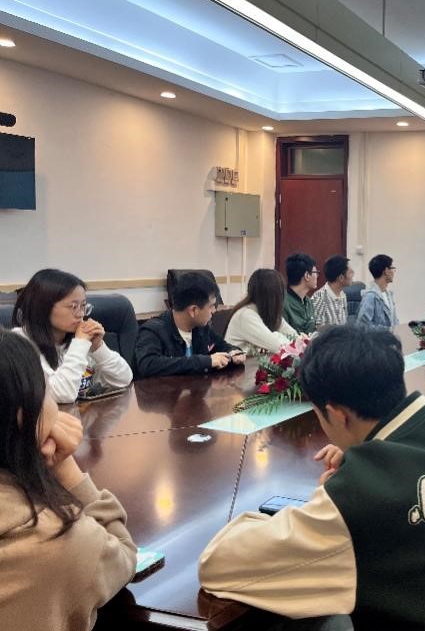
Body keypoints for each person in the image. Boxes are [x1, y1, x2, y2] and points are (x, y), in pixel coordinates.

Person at [198, 326, 425, 630]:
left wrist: (331, 499)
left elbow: (218, 564)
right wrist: (364, 459)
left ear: (336, 414)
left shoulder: (363, 493)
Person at [0, 328, 137, 630]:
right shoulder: (55, 541)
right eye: (46, 389)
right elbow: (122, 555)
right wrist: (65, 466)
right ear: (25, 416)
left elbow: (123, 375)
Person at [12, 269, 132, 404]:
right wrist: (80, 344)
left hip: (80, 414)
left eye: (83, 306)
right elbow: (62, 394)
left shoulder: (77, 339)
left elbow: (123, 379)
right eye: (73, 307)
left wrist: (98, 347)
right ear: (43, 307)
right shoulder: (19, 343)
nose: (81, 314)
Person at [135, 271, 245, 378]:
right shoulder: (152, 331)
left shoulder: (201, 328)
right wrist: (205, 361)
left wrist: (233, 352)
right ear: (193, 310)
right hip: (165, 390)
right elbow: (148, 365)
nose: (214, 311)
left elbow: (221, 346)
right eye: (211, 306)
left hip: (197, 389)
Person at [224, 269, 297, 355]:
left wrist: (276, 336)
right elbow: (278, 347)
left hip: (255, 363)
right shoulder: (245, 315)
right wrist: (277, 335)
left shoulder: (269, 313)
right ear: (273, 296)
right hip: (239, 363)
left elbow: (296, 338)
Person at [356, 254, 398, 329]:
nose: (394, 272)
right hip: (379, 336)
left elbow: (395, 322)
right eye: (392, 268)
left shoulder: (389, 294)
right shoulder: (370, 296)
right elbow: (362, 326)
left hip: (391, 336)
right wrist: (386, 330)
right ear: (386, 271)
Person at [311, 254, 353, 327]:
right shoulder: (319, 298)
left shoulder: (342, 294)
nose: (353, 275)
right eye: (350, 272)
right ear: (341, 278)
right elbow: (317, 329)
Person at [283, 253, 318, 334]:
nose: (317, 276)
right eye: (316, 272)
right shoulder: (282, 303)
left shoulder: (308, 301)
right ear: (307, 276)